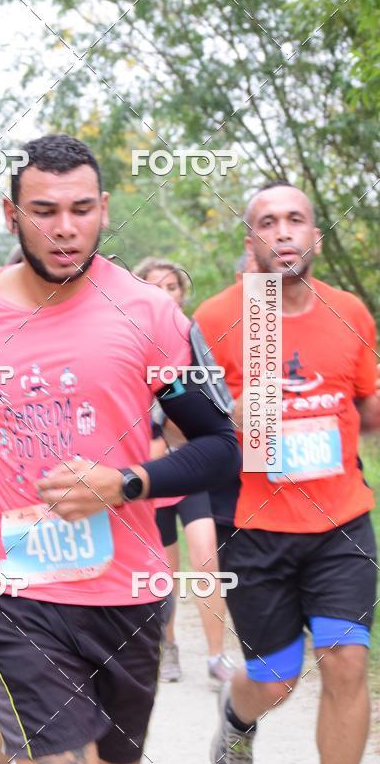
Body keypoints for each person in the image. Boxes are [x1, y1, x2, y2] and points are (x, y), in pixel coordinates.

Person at [0, 134, 240, 764]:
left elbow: (217, 445)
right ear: (11, 215)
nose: (65, 228)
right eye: (44, 210)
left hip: (128, 592)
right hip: (14, 591)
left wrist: (124, 483)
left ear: (104, 209)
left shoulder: (150, 314)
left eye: (81, 209)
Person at [196, 182, 380, 764]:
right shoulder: (217, 319)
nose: (282, 232)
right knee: (273, 680)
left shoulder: (351, 311)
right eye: (267, 222)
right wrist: (229, 418)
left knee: (348, 660)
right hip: (256, 528)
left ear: (314, 238)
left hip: (342, 523)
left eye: (295, 220)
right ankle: (237, 718)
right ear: (251, 241)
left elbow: (367, 408)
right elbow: (181, 427)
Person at [133, 257, 234, 688]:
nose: (166, 293)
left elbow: (218, 408)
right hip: (147, 476)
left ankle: (216, 655)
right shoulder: (125, 341)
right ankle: (167, 646)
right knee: (163, 572)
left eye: (173, 286)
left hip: (190, 470)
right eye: (155, 287)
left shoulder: (194, 342)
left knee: (207, 559)